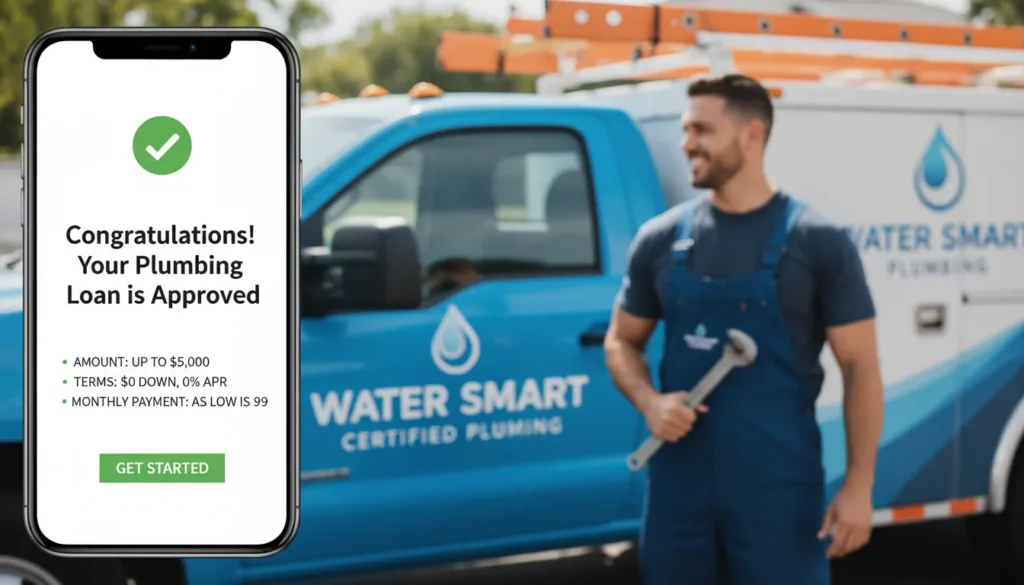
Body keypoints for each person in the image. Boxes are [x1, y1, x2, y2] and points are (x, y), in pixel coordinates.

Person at [603, 73, 884, 585]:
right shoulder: (660, 240)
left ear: (751, 135)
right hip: (678, 493)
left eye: (702, 130)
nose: (686, 144)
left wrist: (860, 486)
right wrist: (649, 402)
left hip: (778, 494)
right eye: (686, 130)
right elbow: (621, 340)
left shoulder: (818, 242)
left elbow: (861, 367)